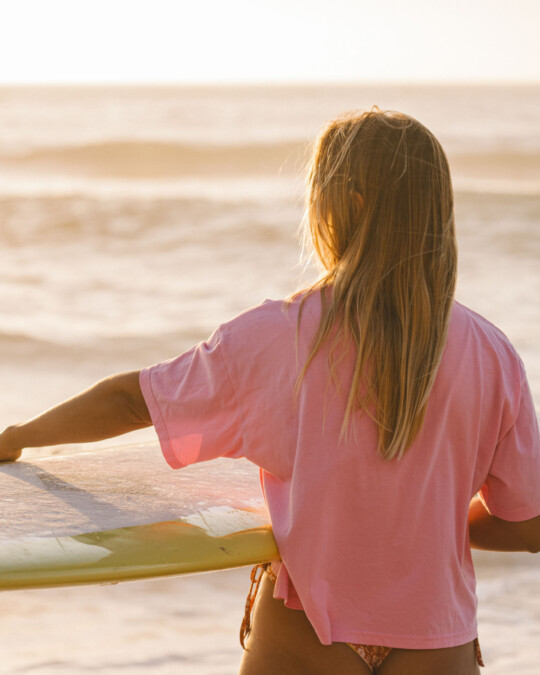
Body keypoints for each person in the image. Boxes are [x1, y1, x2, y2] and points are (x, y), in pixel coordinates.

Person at [1, 108, 539, 675]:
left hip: (307, 635)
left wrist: (20, 435)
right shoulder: (492, 353)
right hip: (437, 643)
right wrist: (431, 523)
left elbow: (136, 401)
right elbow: (528, 525)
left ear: (350, 207)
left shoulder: (280, 337)